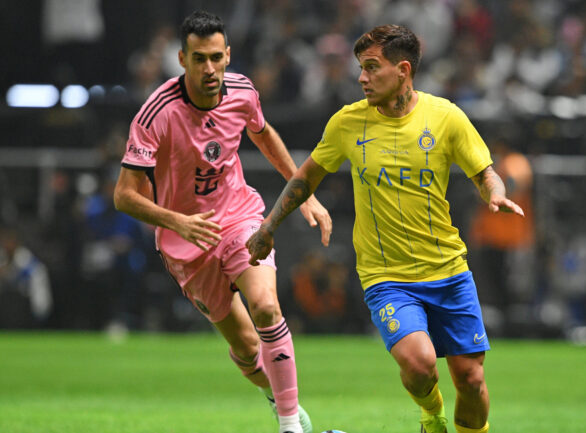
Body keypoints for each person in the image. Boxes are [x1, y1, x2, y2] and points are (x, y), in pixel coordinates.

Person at [247, 24, 524, 433]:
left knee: (471, 379)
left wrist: (494, 194)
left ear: (403, 70)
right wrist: (269, 226)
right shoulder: (347, 123)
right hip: (387, 277)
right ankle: (432, 417)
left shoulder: (445, 117)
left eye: (372, 67)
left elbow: (485, 173)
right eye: (361, 67)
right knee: (420, 364)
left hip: (448, 271)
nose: (361, 77)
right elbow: (305, 178)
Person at [113, 11, 330, 433]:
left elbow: (263, 134)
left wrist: (305, 194)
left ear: (228, 55)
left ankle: (290, 426)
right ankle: (277, 398)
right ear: (182, 58)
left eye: (216, 57)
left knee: (266, 307)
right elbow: (124, 195)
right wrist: (177, 221)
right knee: (248, 349)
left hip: (238, 217)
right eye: (198, 59)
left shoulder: (243, 92)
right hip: (184, 242)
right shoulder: (156, 112)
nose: (209, 68)